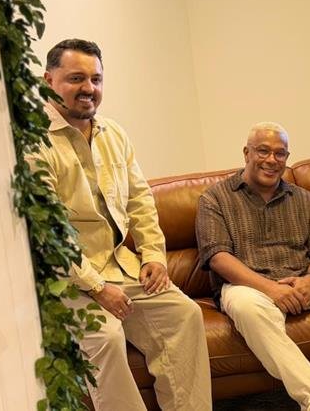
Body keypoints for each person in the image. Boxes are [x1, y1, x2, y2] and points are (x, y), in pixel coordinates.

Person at [29, 39, 211, 410]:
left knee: (185, 314)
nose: (88, 88)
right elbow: (49, 235)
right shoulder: (34, 143)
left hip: (121, 266)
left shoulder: (113, 134)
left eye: (96, 79)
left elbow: (140, 201)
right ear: (49, 80)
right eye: (76, 78)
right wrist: (97, 287)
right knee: (107, 339)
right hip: (70, 279)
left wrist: (154, 256)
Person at [195, 122, 310, 411]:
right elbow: (218, 257)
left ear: (287, 158)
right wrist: (270, 289)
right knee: (247, 308)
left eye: (280, 153)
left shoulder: (303, 199)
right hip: (247, 286)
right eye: (263, 151)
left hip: (301, 280)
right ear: (246, 153)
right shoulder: (215, 198)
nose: (271, 160)